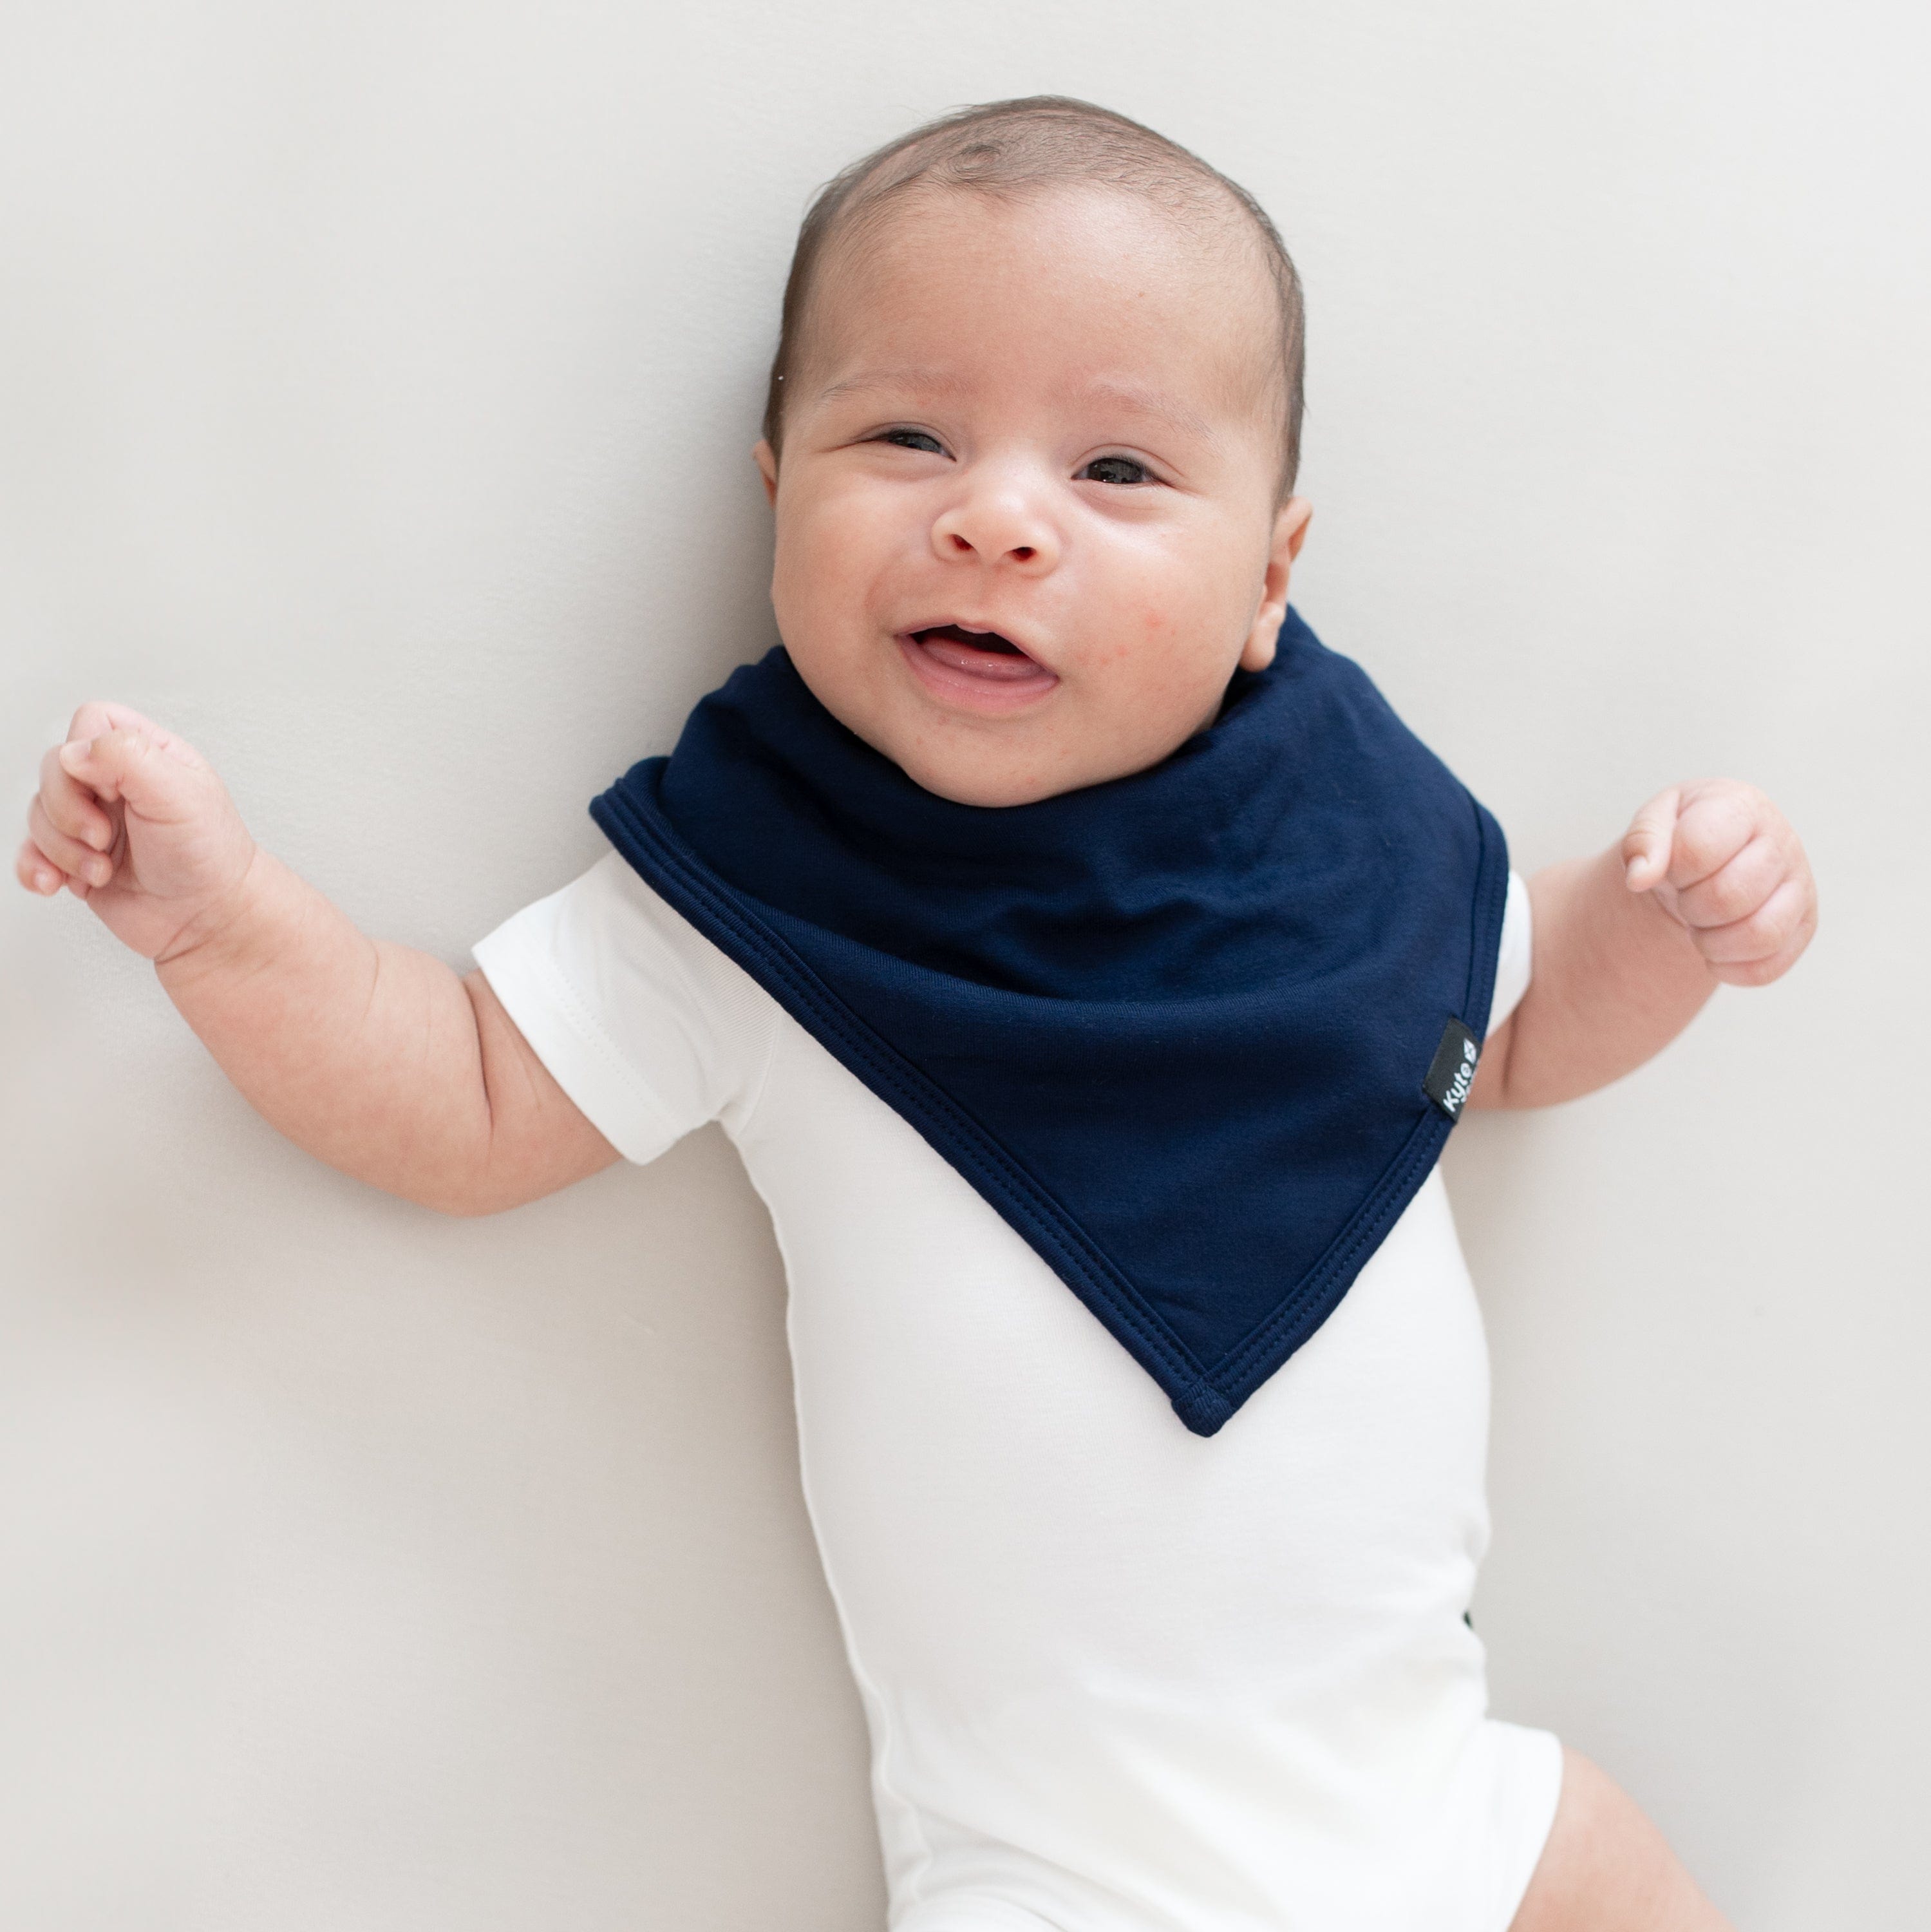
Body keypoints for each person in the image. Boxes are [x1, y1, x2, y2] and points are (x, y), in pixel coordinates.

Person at [16, 97, 1814, 1932]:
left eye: (1116, 471)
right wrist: (225, 923)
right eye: (908, 436)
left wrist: (1666, 920)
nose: (998, 520)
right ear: (779, 492)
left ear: (1271, 578)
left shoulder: (1350, 834)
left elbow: (1506, 1039)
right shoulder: (761, 889)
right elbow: (466, 1090)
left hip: (1459, 1827)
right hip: (1059, 1884)